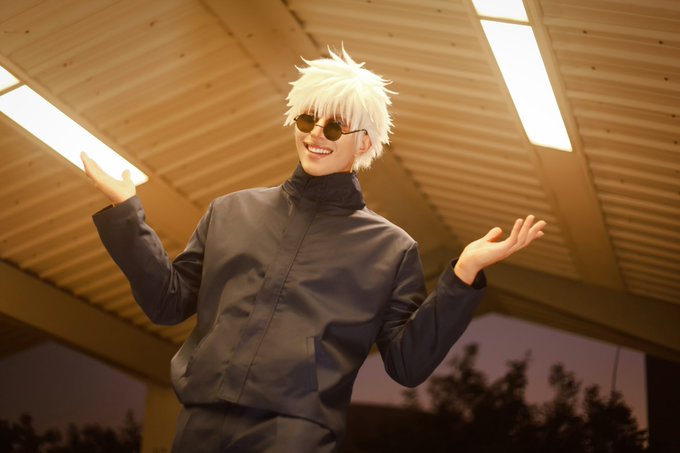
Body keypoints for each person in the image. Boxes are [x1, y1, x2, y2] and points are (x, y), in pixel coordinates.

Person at [81, 47, 546, 452]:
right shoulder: (231, 211)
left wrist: (462, 277)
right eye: (307, 119)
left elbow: (407, 364)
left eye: (335, 126)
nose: (315, 134)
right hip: (200, 420)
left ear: (364, 142)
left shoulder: (391, 250)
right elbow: (168, 303)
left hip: (295, 434)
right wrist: (126, 214)